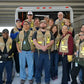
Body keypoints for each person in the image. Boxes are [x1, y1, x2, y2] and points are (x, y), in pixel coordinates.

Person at [33, 20, 54, 84]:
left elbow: (52, 41)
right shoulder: (36, 33)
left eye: (44, 23)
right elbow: (34, 41)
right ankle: (38, 80)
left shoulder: (50, 33)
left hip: (47, 53)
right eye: (41, 23)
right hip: (38, 53)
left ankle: (47, 80)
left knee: (47, 68)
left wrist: (46, 46)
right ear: (39, 25)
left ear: (46, 25)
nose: (43, 24)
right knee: (38, 67)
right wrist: (41, 47)